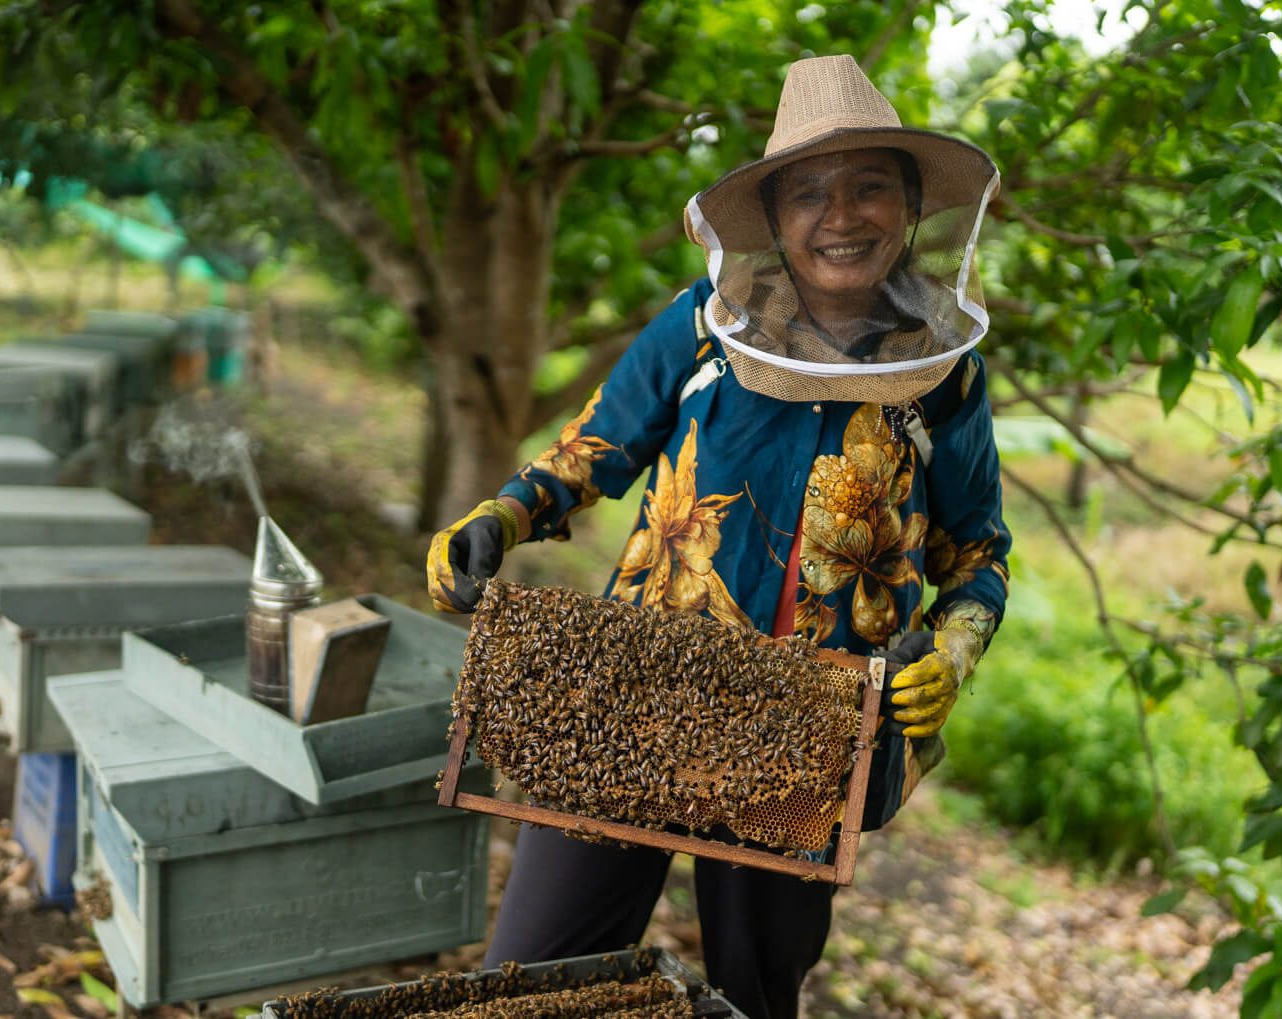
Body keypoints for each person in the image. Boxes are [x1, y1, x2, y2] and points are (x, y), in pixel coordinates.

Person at [426, 54, 1010, 1019]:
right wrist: (500, 515)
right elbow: (591, 453)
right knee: (529, 977)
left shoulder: (945, 375)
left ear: (909, 208)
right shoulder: (703, 331)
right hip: (639, 686)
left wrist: (953, 649)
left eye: (871, 186)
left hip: (815, 727)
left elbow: (980, 553)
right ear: (773, 219)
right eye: (811, 192)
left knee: (756, 987)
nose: (842, 216)